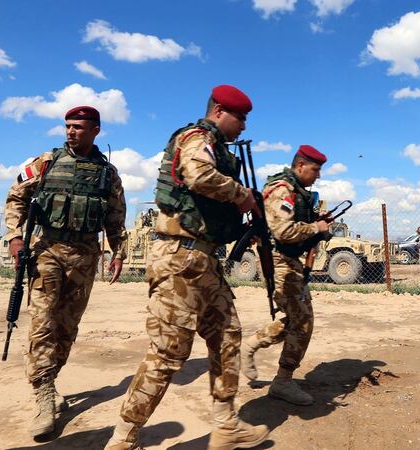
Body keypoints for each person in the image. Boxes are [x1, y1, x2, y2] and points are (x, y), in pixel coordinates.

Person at [105, 85, 268, 450]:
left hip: (205, 259)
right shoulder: (195, 138)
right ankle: (123, 437)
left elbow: (208, 204)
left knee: (228, 336)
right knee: (169, 352)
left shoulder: (221, 150)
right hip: (179, 258)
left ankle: (226, 426)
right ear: (219, 111)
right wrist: (243, 195)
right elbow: (198, 176)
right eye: (240, 117)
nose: (243, 126)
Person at [3, 105, 128, 439]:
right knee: (43, 322)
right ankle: (44, 395)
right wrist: (15, 237)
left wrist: (119, 253)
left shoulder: (108, 173)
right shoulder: (46, 162)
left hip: (86, 256)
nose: (71, 131)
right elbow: (16, 197)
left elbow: (115, 218)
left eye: (78, 127)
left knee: (67, 327)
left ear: (96, 130)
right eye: (68, 126)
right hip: (48, 252)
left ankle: (51, 378)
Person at [239, 144, 332, 406]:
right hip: (279, 261)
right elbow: (283, 232)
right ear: (300, 165)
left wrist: (320, 226)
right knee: (302, 321)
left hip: (290, 261)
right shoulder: (284, 190)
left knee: (296, 319)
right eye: (315, 170)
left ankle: (253, 345)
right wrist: (316, 227)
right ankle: (282, 381)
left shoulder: (297, 192)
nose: (318, 176)